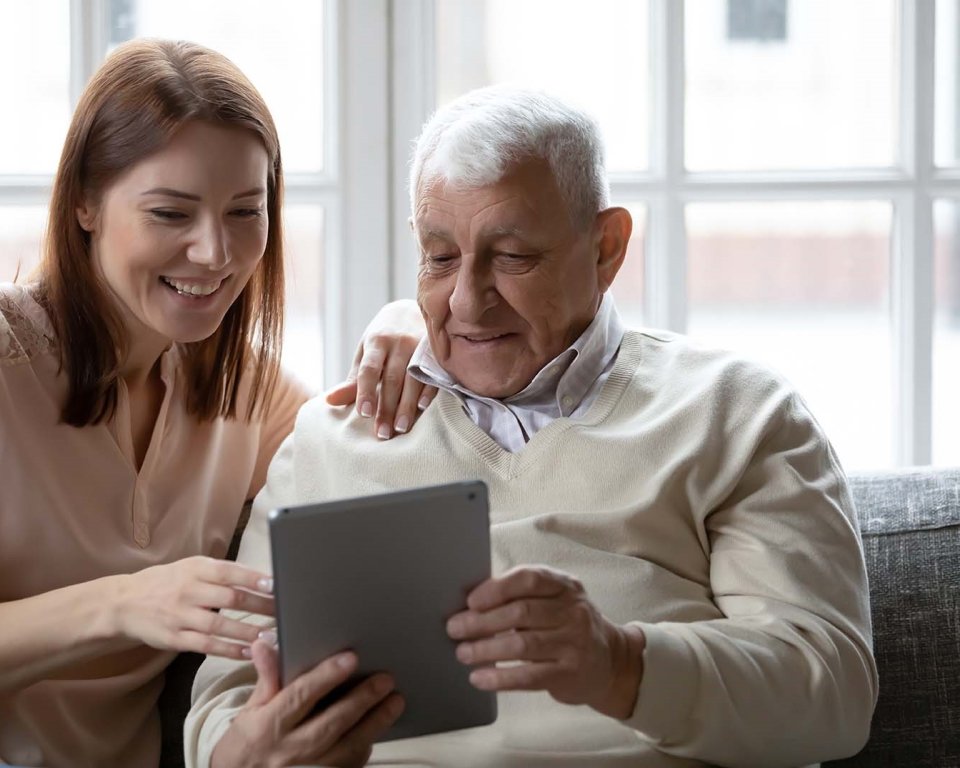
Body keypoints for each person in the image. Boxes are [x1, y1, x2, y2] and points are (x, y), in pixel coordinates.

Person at [186, 86, 878, 768]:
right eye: (441, 256)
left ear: (606, 247)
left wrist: (620, 665)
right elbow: (222, 709)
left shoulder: (736, 412)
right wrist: (249, 753)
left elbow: (832, 693)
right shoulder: (329, 442)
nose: (467, 301)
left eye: (513, 257)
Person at [0, 39, 434, 768]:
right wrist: (126, 603)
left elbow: (370, 454)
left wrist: (411, 319)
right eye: (171, 214)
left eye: (244, 212)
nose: (216, 253)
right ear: (83, 203)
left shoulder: (245, 392)